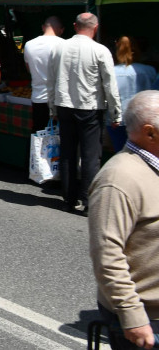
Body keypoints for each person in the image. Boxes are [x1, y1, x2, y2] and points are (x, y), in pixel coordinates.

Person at [88, 90, 159, 349]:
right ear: (150, 133)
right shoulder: (118, 180)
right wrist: (132, 315)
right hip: (148, 315)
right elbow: (107, 255)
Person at [49, 12, 122, 214]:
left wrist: (52, 107)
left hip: (64, 105)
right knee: (91, 156)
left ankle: (68, 199)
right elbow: (110, 84)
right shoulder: (100, 50)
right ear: (95, 27)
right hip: (90, 107)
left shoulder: (59, 48)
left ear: (74, 26)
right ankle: (88, 200)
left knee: (67, 153)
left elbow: (51, 80)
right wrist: (116, 113)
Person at [111, 36, 157, 152]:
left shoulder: (111, 71)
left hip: (117, 120)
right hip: (143, 120)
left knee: (120, 153)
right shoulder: (149, 70)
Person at [23, 17, 65, 129]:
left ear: (43, 27)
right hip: (59, 98)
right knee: (59, 135)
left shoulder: (29, 45)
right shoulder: (64, 44)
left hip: (38, 97)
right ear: (61, 30)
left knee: (38, 133)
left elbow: (29, 69)